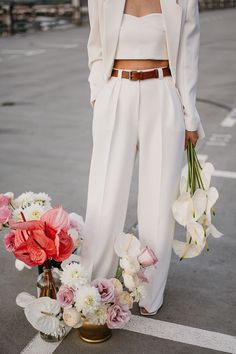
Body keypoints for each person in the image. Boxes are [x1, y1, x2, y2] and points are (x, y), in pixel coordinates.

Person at [80, 0, 205, 316]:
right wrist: (99, 96)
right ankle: (92, 286)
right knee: (104, 194)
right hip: (116, 93)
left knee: (159, 198)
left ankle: (150, 291)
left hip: (163, 95)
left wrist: (190, 117)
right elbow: (96, 48)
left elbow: (188, 59)